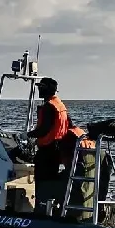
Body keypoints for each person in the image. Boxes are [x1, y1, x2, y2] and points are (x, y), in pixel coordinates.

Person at [29, 78, 85, 214]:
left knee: (42, 182)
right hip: (57, 150)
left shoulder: (49, 106)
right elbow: (68, 125)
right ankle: (51, 209)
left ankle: (41, 210)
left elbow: (44, 129)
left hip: (47, 150)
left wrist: (29, 135)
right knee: (51, 179)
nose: (38, 89)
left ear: (48, 88)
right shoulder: (60, 105)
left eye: (41, 86)